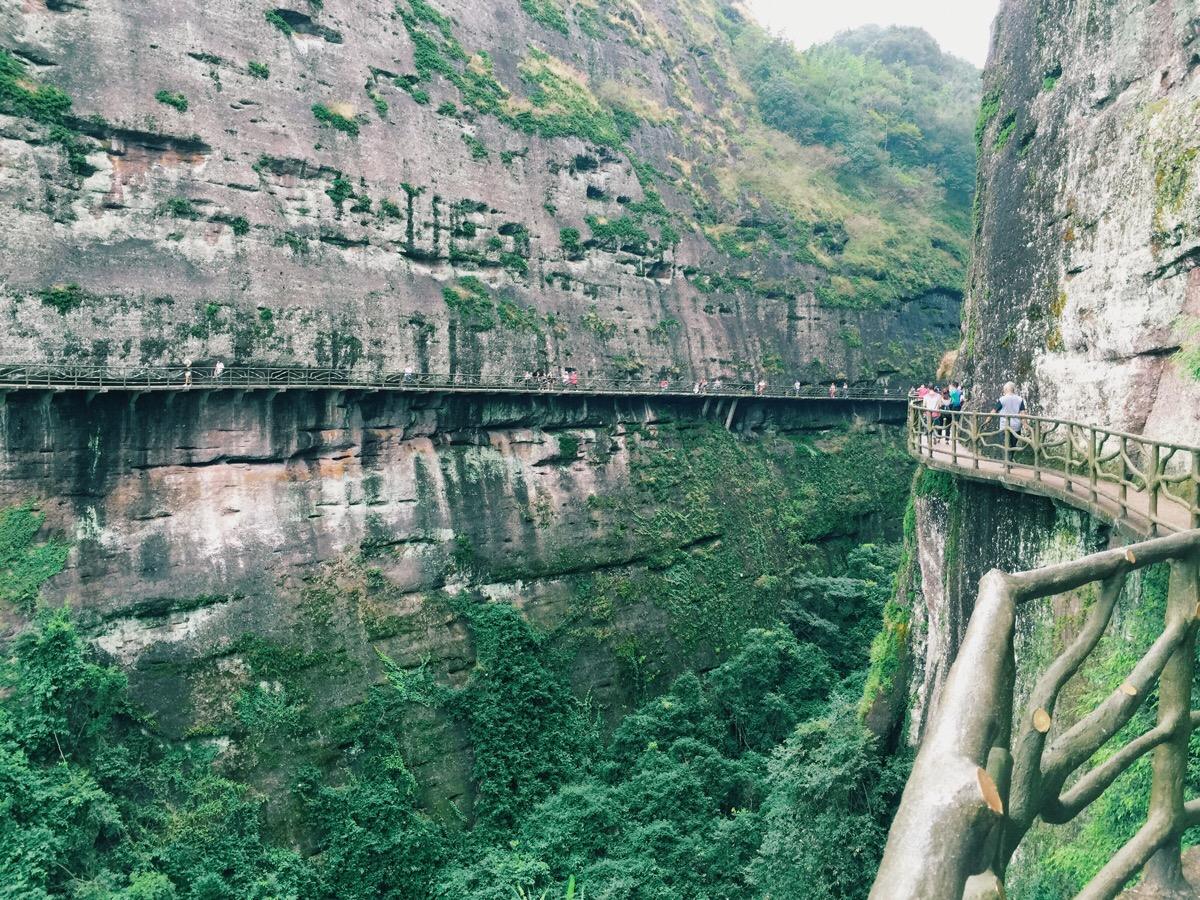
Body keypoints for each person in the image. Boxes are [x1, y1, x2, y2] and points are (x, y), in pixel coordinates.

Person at [994, 381, 1027, 451]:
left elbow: (993, 411)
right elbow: (1023, 414)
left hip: (1004, 427)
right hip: (1016, 428)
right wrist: (1026, 425)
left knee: (1005, 448)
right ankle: (1010, 460)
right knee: (1012, 447)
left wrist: (987, 421)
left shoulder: (1002, 399)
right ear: (1013, 389)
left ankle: (1007, 461)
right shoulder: (1020, 399)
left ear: (1006, 389)